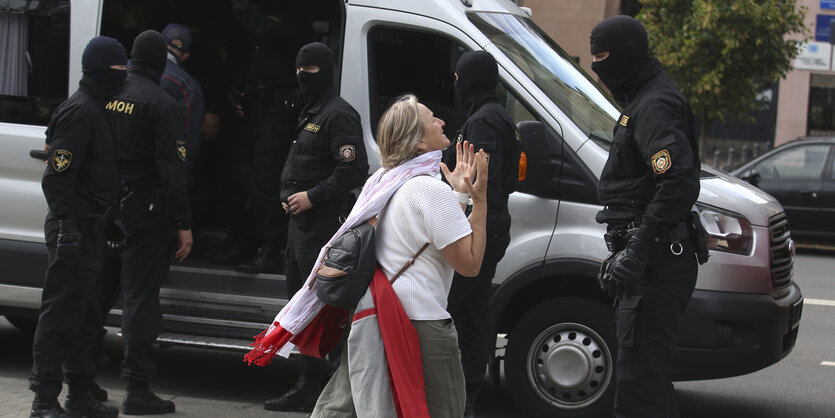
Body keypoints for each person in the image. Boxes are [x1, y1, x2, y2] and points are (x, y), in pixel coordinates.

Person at [311, 94, 488, 417]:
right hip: (421, 324)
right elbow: (470, 263)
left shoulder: (385, 183)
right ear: (419, 143)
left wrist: (459, 194)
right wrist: (481, 200)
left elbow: (430, 236)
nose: (442, 121)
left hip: (379, 314)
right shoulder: (430, 190)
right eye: (432, 119)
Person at [589, 15, 701, 418]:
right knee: (643, 384)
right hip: (650, 261)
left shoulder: (653, 105)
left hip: (655, 263)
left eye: (602, 57)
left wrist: (637, 248)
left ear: (627, 55)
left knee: (641, 393)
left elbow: (680, 181)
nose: (596, 67)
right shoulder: (640, 101)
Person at [263, 41, 368, 413]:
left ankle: (319, 386)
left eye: (310, 72)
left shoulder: (338, 114)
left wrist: (312, 196)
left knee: (319, 308)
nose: (303, 78)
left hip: (322, 228)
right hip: (299, 228)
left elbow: (353, 169)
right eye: (299, 71)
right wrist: (287, 193)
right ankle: (306, 381)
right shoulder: (309, 110)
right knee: (300, 305)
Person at [28, 36, 127, 418]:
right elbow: (58, 179)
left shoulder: (96, 109)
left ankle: (81, 394)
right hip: (74, 231)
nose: (124, 78)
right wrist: (69, 226)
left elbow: (92, 175)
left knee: (86, 317)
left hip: (91, 228)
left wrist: (109, 217)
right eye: (120, 71)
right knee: (60, 317)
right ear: (102, 71)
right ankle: (43, 401)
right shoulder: (81, 111)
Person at [99, 30, 193, 416]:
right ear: (160, 63)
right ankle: (137, 388)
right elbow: (172, 170)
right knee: (139, 298)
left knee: (97, 293)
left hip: (102, 208)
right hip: (144, 213)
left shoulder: (104, 94)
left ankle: (82, 376)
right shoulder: (162, 103)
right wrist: (183, 222)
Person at [443, 50, 519, 417]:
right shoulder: (498, 116)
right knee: (473, 311)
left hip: (480, 224)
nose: (455, 84)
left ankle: (458, 394)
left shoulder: (483, 123)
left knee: (450, 308)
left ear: (469, 80)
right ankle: (468, 393)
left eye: (458, 78)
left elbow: (478, 184)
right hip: (492, 223)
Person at [209, 0, 305, 273]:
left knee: (265, 178)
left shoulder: (294, 14)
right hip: (254, 104)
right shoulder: (261, 17)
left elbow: (265, 30)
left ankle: (270, 248)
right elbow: (251, 60)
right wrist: (237, 89)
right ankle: (241, 240)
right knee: (238, 175)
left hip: (277, 110)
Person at [159, 23, 205, 192]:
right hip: (159, 178)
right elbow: (187, 142)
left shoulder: (125, 70)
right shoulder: (188, 86)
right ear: (185, 56)